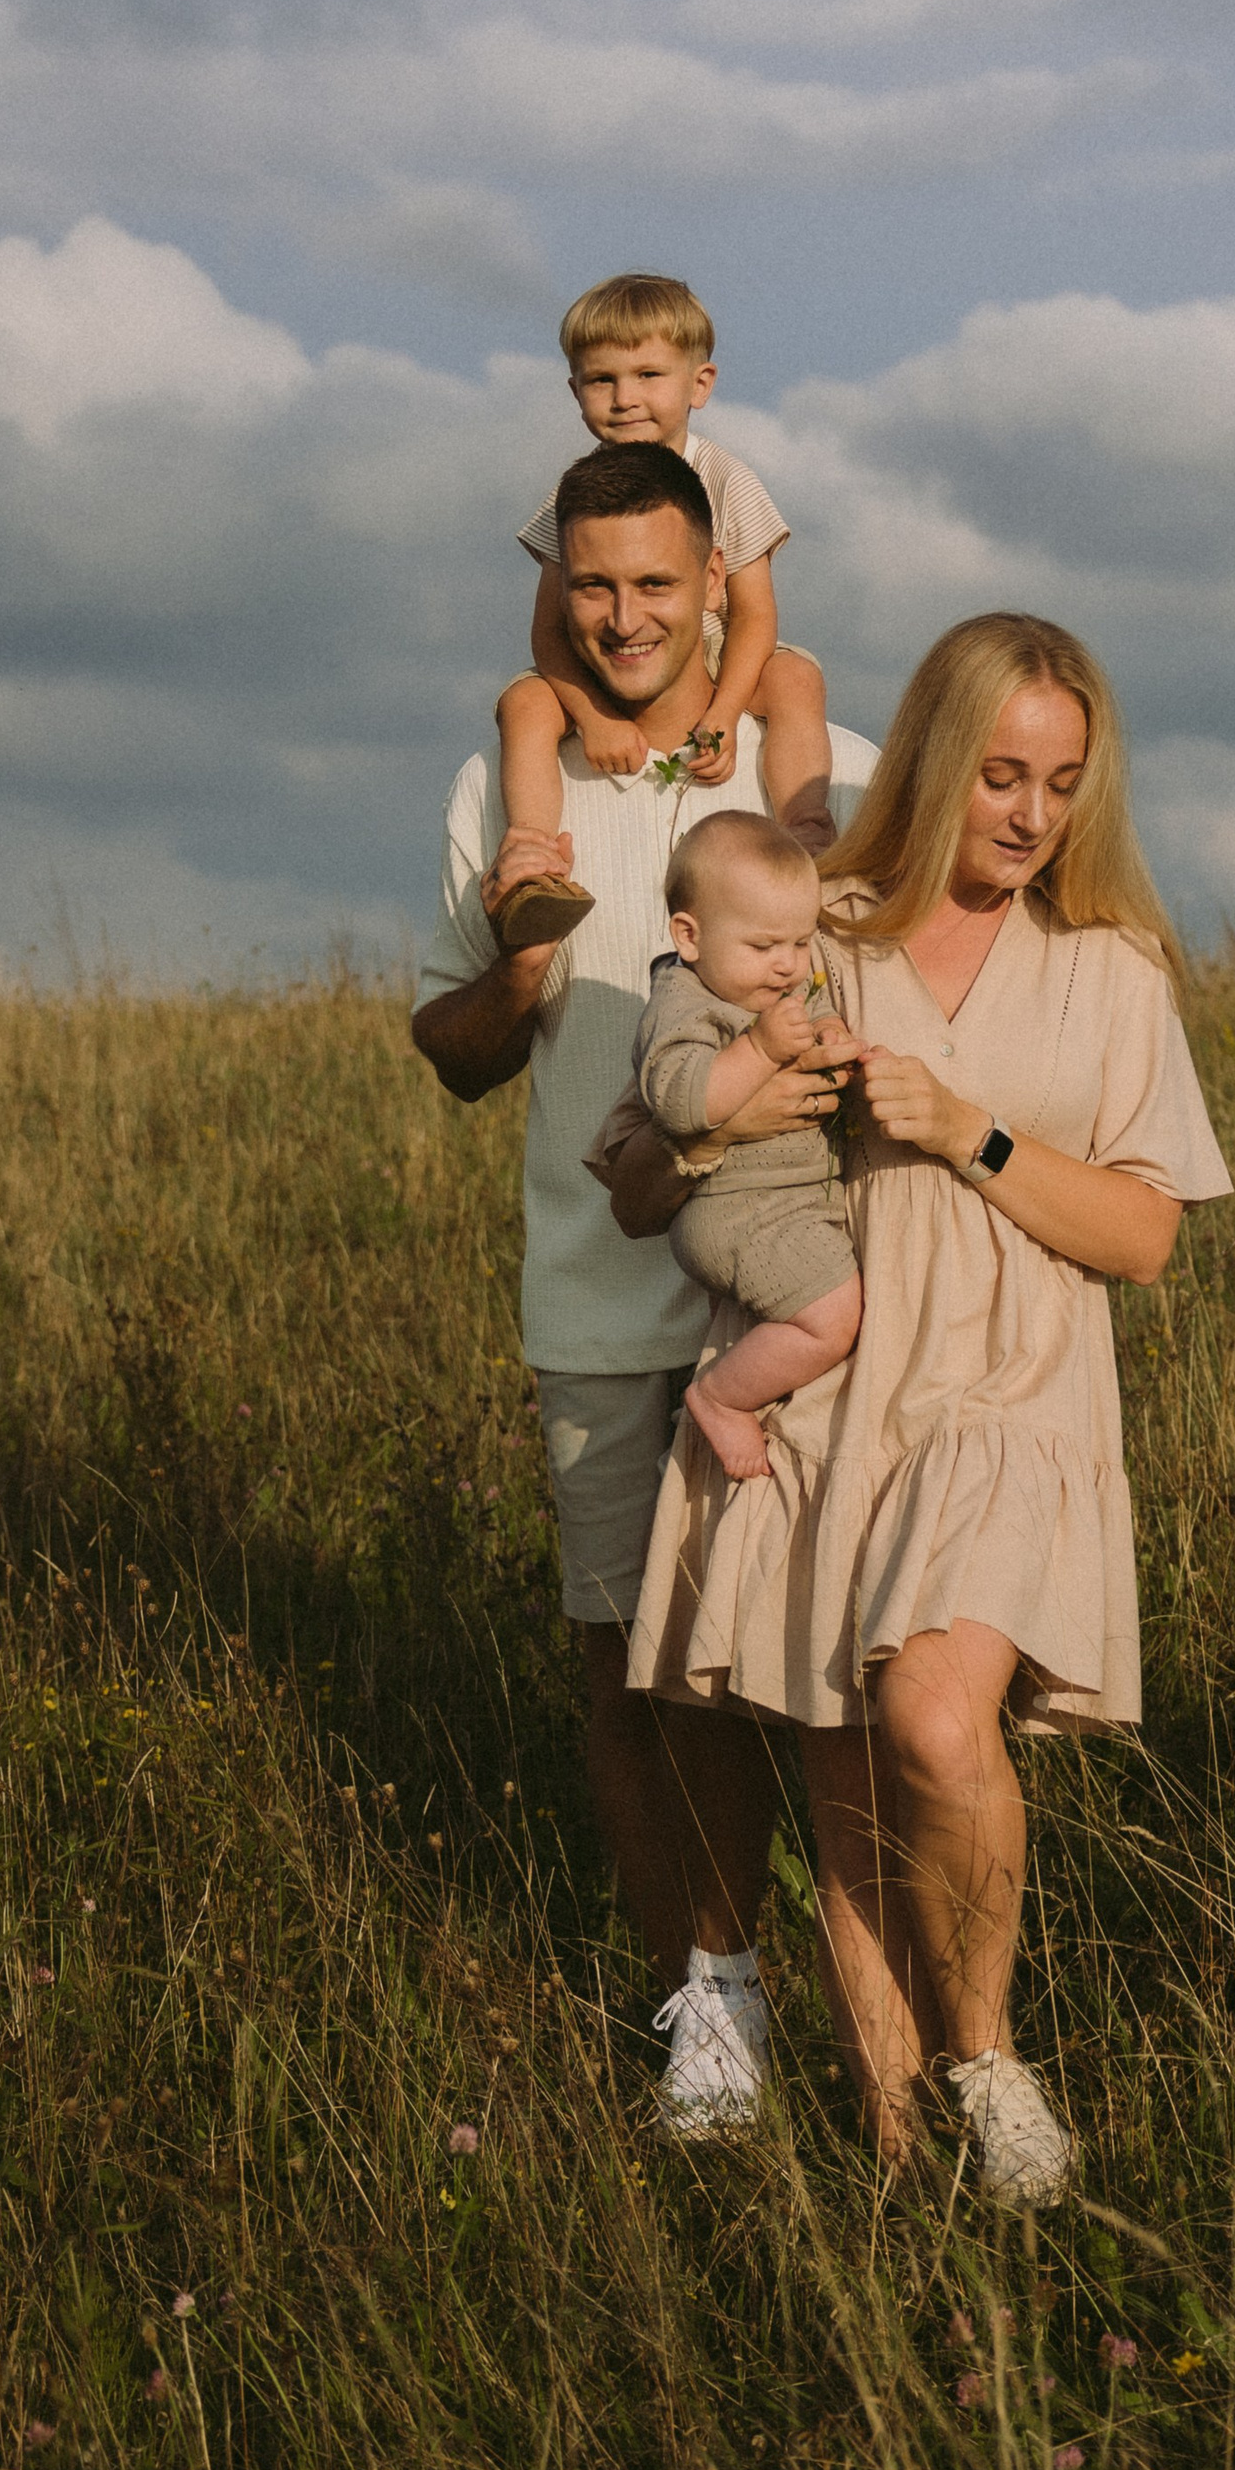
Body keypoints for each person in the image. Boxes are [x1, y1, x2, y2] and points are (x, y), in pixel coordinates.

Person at [605, 613, 1232, 2200]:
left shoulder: (1110, 971)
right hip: (834, 1395)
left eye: (1062, 784)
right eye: (1002, 776)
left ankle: (986, 2055)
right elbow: (643, 1156)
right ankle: (893, 2145)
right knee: (842, 1767)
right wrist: (703, 1126)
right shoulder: (829, 936)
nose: (1027, 815)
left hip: (1012, 1393)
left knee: (935, 1724)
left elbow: (1149, 1238)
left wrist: (972, 1133)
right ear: (943, 761)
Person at [410, 437, 874, 2132]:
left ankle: (889, 2022)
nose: (622, 617)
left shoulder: (816, 767)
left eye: (656, 586)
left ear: (713, 582)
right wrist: (525, 959)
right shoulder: (508, 790)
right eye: (593, 584)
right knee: (626, 1662)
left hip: (798, 1292)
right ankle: (711, 1997)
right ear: (561, 584)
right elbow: (452, 1052)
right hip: (598, 1301)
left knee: (825, 1660)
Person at [493, 273, 837, 949]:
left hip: (711, 654)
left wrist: (724, 714)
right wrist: (589, 715)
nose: (625, 399)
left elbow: (755, 616)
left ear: (698, 384)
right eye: (601, 380)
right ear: (573, 390)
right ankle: (533, 862)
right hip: (602, 660)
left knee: (796, 679)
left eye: (649, 374)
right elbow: (549, 626)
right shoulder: (576, 492)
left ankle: (806, 833)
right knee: (524, 705)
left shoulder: (724, 478)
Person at [630, 811, 864, 1485]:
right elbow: (680, 1102)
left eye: (799, 942)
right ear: (689, 936)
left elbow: (808, 1033)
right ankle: (720, 1397)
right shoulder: (683, 1005)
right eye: (764, 946)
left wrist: (833, 1047)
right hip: (737, 1213)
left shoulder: (766, 986)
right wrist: (760, 1048)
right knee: (832, 1318)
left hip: (781, 1203)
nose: (788, 965)